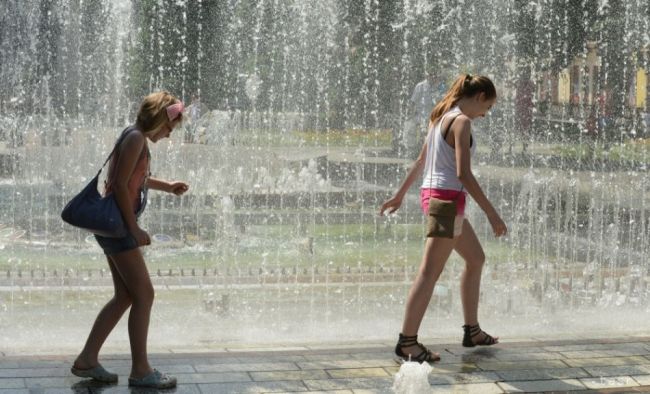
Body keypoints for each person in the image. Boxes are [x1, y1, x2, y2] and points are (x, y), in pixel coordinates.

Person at [380, 74, 507, 363]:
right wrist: (491, 213)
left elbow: (421, 161)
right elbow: (463, 173)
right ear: (478, 96)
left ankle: (472, 331)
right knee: (429, 272)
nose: (486, 114)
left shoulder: (440, 117)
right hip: (446, 201)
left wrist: (399, 195)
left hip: (439, 198)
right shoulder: (461, 121)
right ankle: (407, 342)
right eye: (487, 107)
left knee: (476, 259)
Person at [70, 91, 189, 388]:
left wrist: (167, 185)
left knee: (126, 296)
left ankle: (87, 359)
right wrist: (133, 228)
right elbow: (121, 185)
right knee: (145, 295)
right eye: (168, 128)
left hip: (115, 226)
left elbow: (136, 179)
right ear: (160, 118)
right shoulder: (136, 138)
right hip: (120, 227)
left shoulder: (134, 136)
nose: (168, 135)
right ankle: (141, 370)